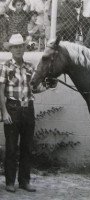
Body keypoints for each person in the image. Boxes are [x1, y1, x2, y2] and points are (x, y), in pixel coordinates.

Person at [0, 34, 46, 193]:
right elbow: (0, 91)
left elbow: (35, 89)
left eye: (21, 46)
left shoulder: (30, 67)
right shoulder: (5, 67)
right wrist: (4, 112)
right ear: (10, 50)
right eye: (15, 47)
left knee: (27, 147)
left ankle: (25, 181)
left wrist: (48, 85)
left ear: (24, 48)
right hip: (12, 108)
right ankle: (10, 182)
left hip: (28, 109)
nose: (18, 49)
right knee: (12, 148)